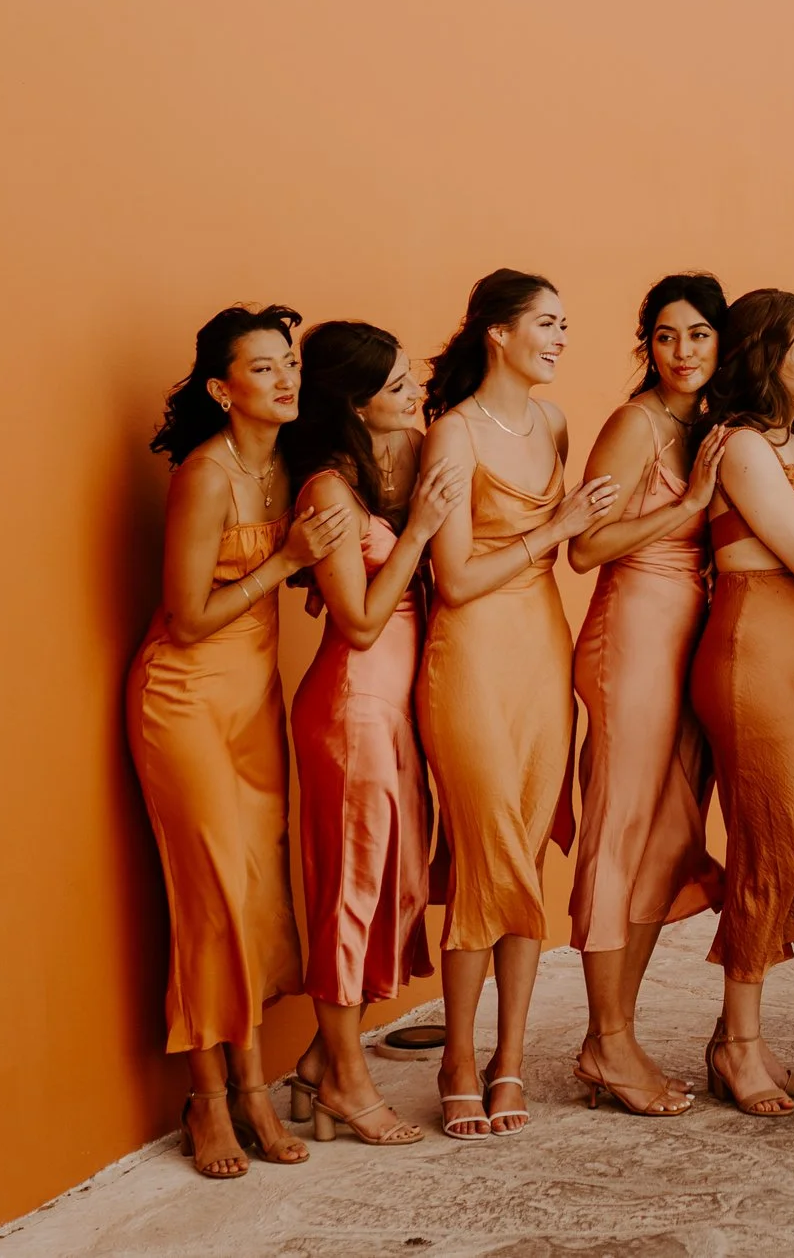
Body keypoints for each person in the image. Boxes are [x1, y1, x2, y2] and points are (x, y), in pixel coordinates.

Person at [127, 305, 345, 1178]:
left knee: (255, 891)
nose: (285, 377)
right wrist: (289, 561)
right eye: (262, 368)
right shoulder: (204, 474)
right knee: (210, 895)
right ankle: (214, 1097)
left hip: (254, 700)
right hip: (182, 700)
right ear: (223, 389)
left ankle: (254, 1084)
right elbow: (184, 619)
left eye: (287, 361)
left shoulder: (292, 464)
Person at [418, 270, 620, 1139]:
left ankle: (508, 1058)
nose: (560, 338)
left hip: (543, 654)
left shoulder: (555, 423)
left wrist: (568, 529)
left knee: (528, 853)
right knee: (485, 854)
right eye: (546, 322)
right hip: (469, 659)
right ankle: (457, 1057)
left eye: (565, 324)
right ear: (496, 333)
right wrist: (558, 526)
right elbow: (456, 578)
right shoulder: (453, 437)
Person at [282, 320, 463, 1147]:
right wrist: (421, 529)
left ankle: (322, 1068)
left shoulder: (388, 469)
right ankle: (349, 1085)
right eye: (397, 386)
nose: (415, 393)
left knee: (394, 886)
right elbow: (356, 622)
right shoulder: (327, 490)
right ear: (354, 402)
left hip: (395, 708)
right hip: (351, 706)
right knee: (352, 893)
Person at [689, 289, 794, 1116]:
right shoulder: (745, 446)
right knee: (774, 840)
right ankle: (737, 1045)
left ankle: (744, 1032)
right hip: (753, 646)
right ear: (766, 358)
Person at [565, 274, 732, 1115]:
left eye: (698, 335)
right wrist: (692, 504)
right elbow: (585, 547)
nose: (683, 352)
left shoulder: (704, 423)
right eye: (666, 336)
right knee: (619, 832)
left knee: (668, 837)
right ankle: (607, 1036)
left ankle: (614, 1031)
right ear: (647, 344)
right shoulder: (633, 423)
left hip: (688, 643)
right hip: (629, 635)